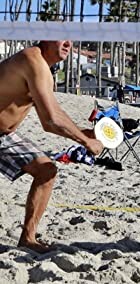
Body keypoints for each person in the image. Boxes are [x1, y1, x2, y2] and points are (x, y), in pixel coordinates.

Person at [0, 40, 104, 252]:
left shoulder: (44, 71)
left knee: (46, 170)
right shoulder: (31, 59)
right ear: (46, 38)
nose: (68, 43)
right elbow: (52, 120)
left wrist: (82, 134)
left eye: (70, 39)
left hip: (4, 135)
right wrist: (85, 141)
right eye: (61, 36)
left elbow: (49, 120)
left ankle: (28, 239)